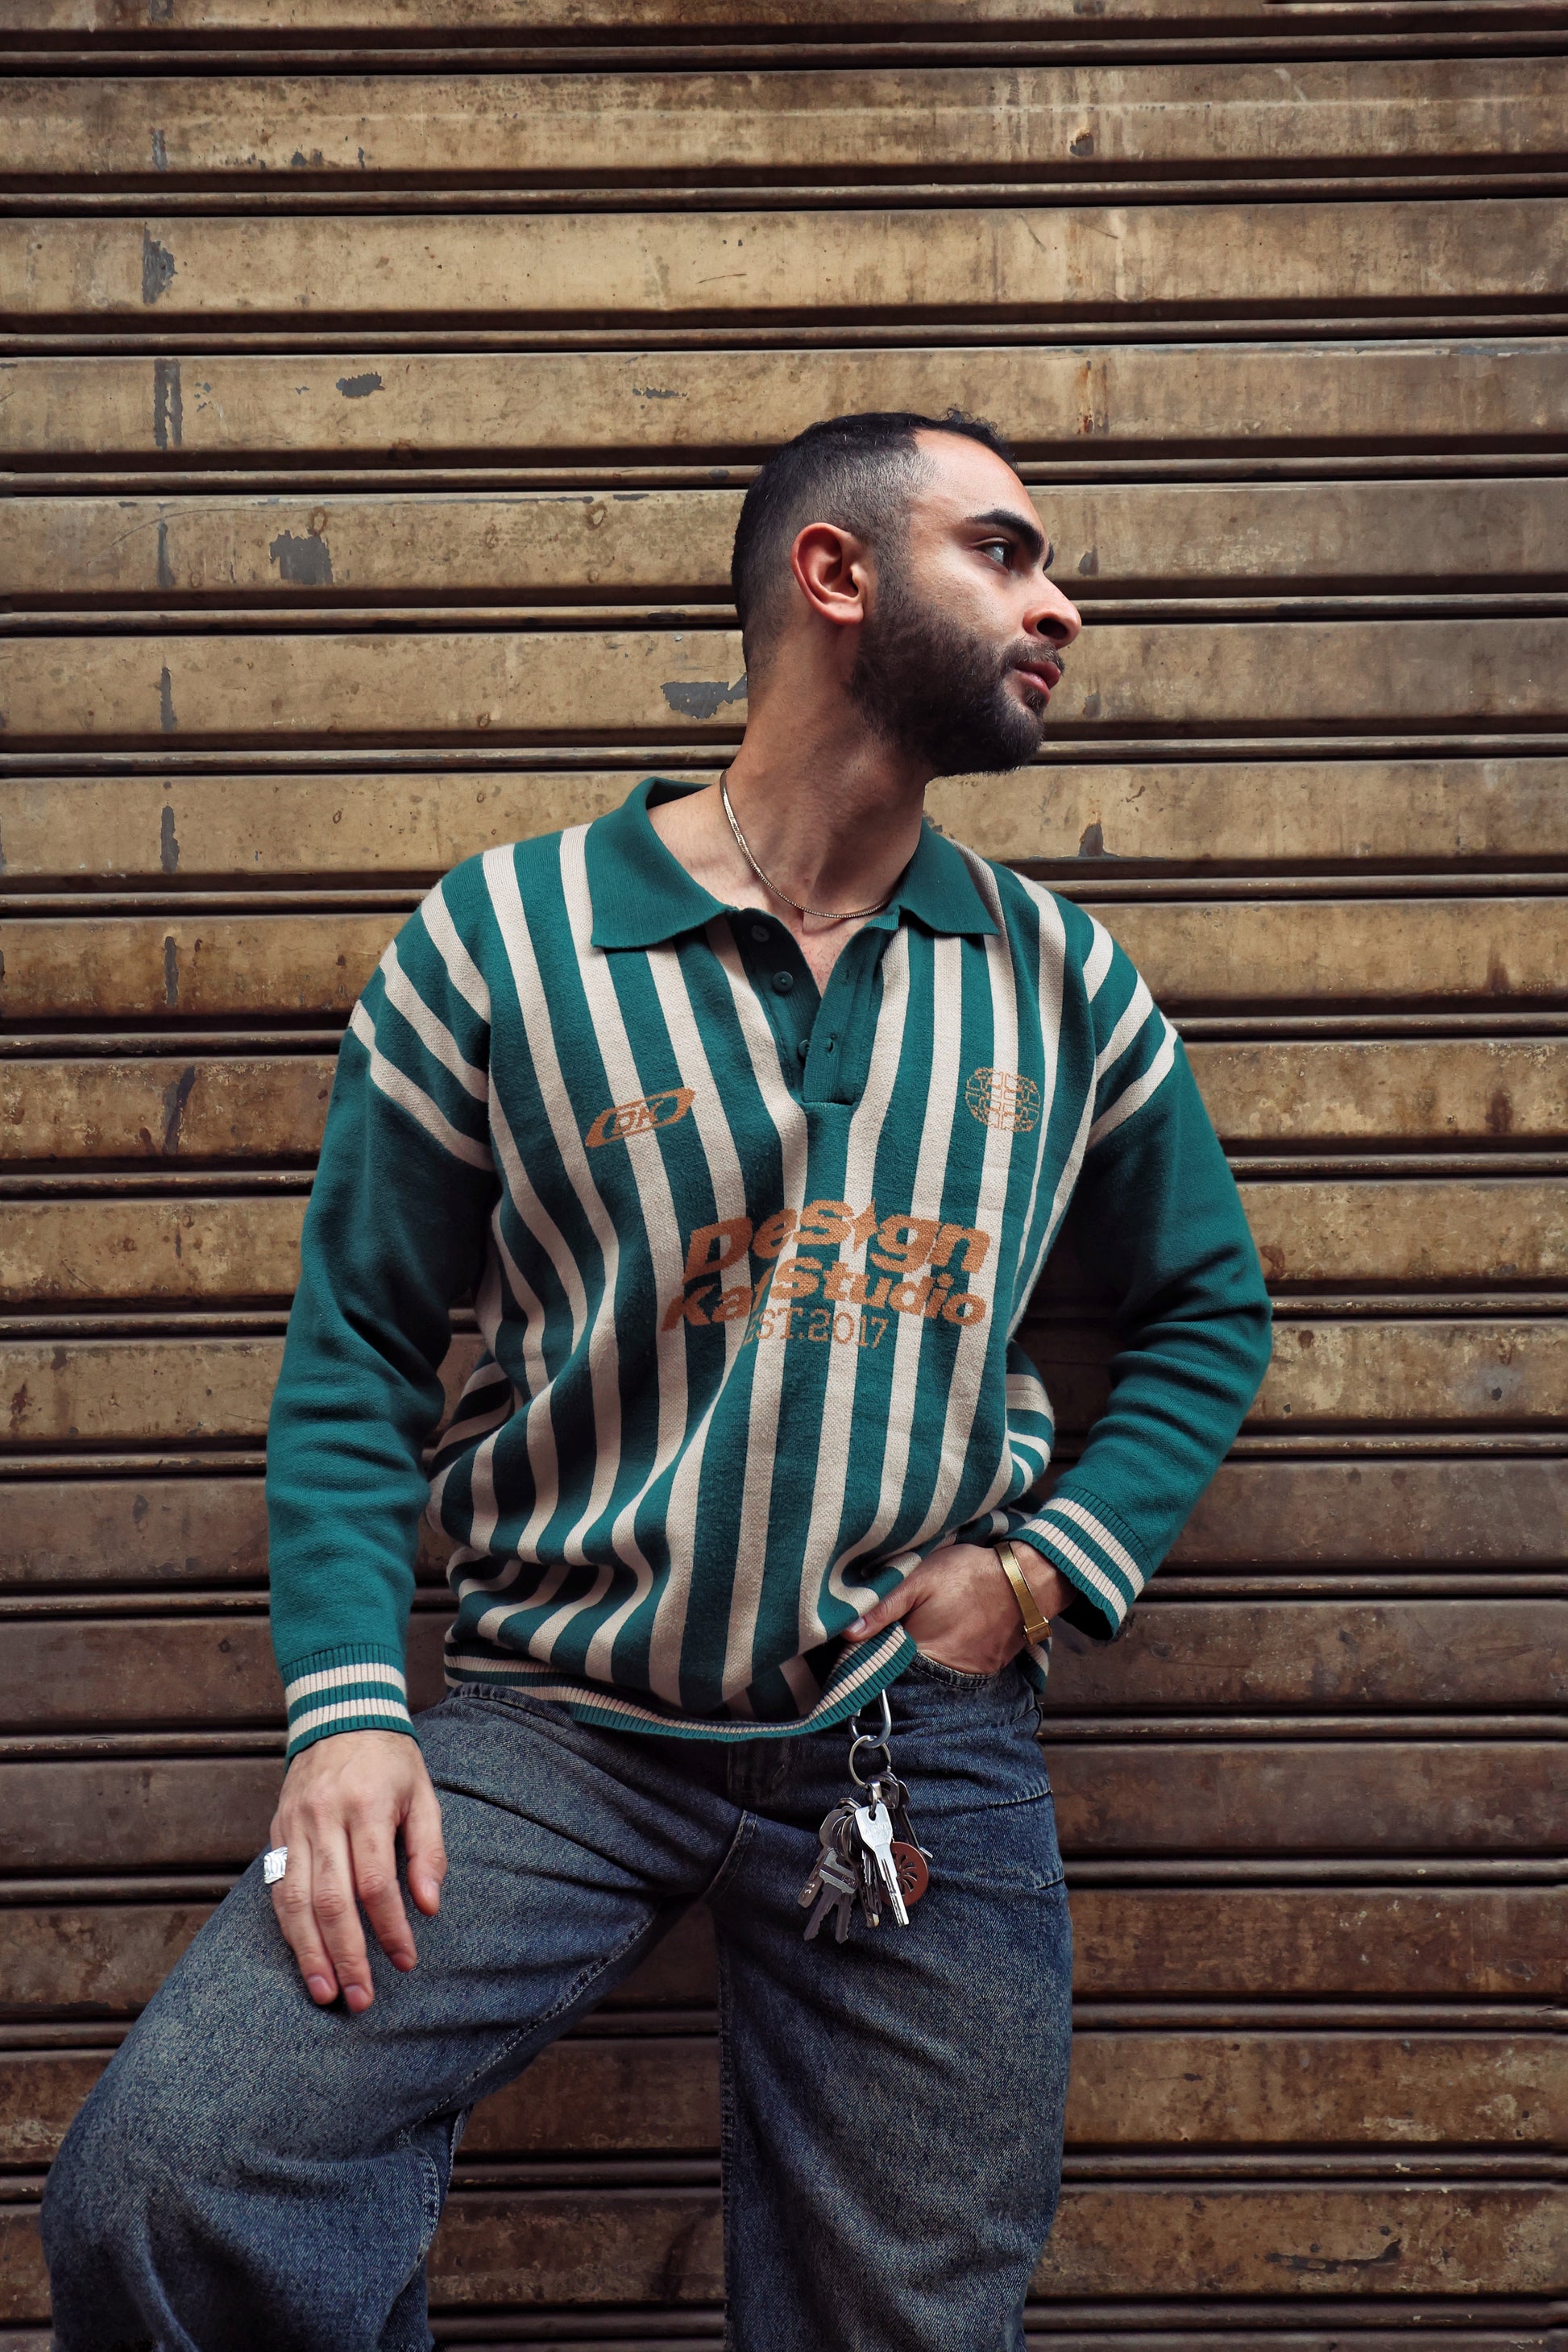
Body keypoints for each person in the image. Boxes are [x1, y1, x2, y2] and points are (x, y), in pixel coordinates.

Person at [44, 411, 1271, 2350]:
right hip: (556, 1724)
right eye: (1004, 551)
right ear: (834, 575)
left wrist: (1039, 1573)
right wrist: (345, 1715)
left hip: (906, 1739)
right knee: (175, 2176)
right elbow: (360, 1347)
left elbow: (1209, 1310)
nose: (1060, 605)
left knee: (900, 2323)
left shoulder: (1058, 980)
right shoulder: (503, 940)